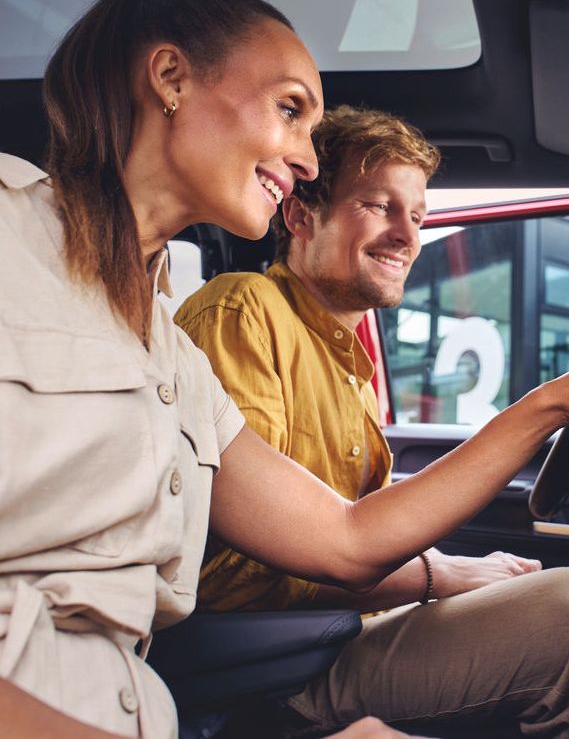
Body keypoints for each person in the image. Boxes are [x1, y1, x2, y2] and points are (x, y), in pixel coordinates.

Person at [2, 0, 569, 739]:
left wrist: (550, 403)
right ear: (169, 77)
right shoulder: (10, 237)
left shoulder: (173, 362)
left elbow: (344, 537)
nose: (305, 160)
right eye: (290, 109)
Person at [175, 105, 569, 736]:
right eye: (379, 206)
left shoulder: (352, 369)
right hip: (282, 662)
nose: (407, 235)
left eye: (416, 216)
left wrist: (454, 572)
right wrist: (444, 573)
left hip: (346, 631)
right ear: (300, 215)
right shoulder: (242, 311)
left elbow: (367, 526)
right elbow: (233, 568)